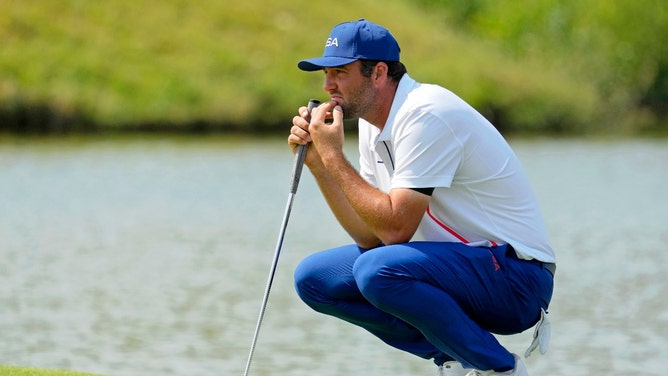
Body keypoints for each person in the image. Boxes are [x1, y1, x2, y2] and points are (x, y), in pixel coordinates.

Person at [288, 19, 555, 376]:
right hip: (461, 269)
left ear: (378, 73)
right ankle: (454, 358)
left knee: (377, 270)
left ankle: (499, 369)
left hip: (518, 280)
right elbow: (372, 236)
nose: (327, 86)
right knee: (315, 279)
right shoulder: (372, 124)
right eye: (326, 74)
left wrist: (335, 156)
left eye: (339, 72)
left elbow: (396, 230)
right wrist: (320, 165)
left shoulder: (425, 113)